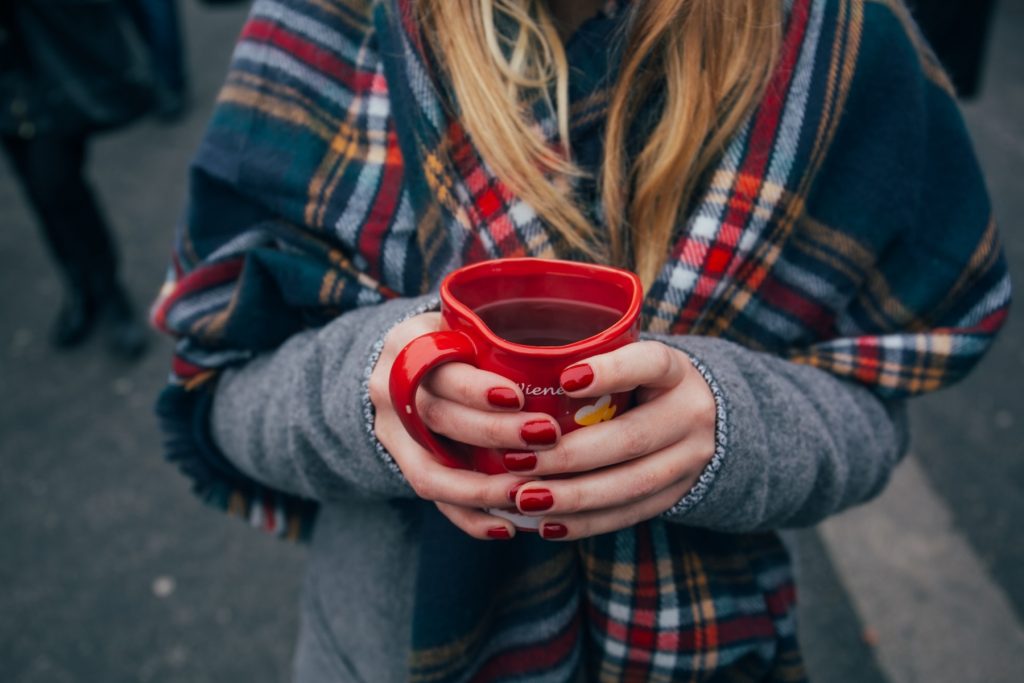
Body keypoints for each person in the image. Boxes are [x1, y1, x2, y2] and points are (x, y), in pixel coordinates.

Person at [152, 0, 1010, 680]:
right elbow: (223, 386)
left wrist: (730, 427)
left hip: (704, 650)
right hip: (386, 651)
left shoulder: (838, 43)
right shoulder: (333, 22)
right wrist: (375, 386)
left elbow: (875, 407)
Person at [1, 0, 150, 358]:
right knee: (38, 192)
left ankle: (109, 291)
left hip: (48, 60)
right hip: (7, 83)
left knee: (57, 181)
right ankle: (79, 287)